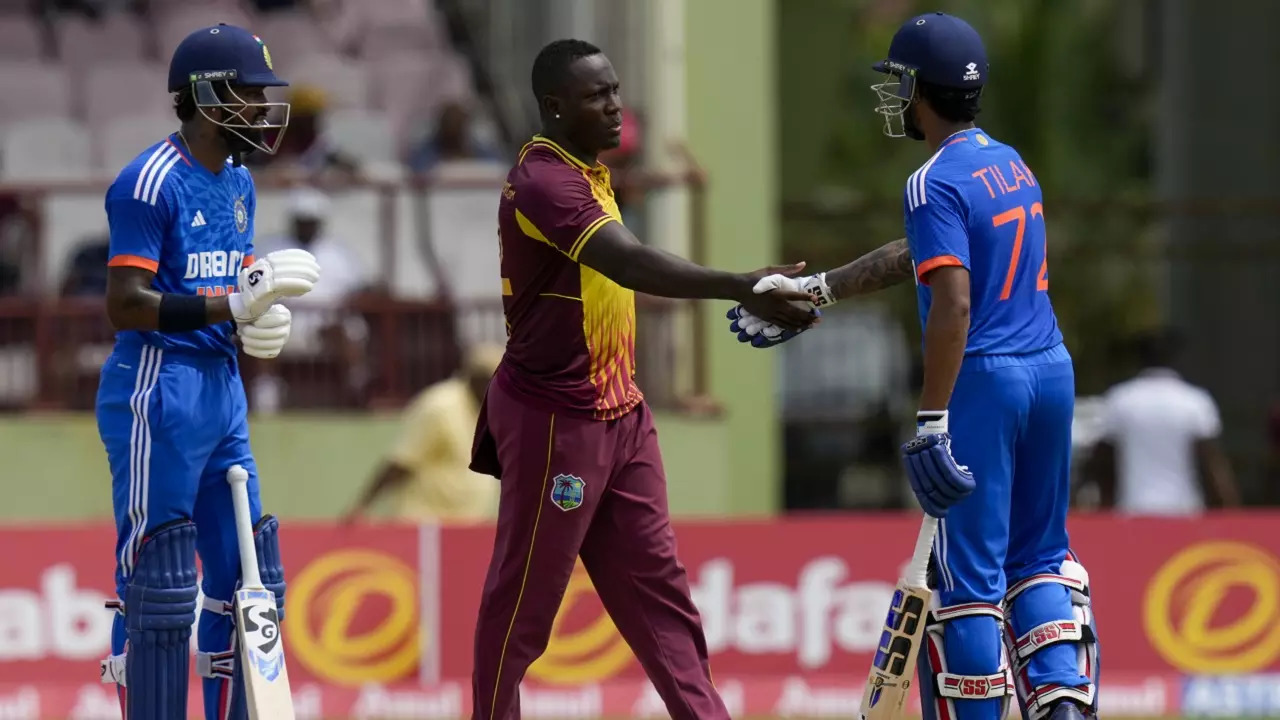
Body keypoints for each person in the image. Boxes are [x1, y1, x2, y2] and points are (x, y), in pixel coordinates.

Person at [726, 13, 1099, 720]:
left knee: (968, 582)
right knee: (1042, 558)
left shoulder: (931, 181)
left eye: (898, 83)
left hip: (985, 380)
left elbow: (952, 300)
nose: (891, 97)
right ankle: (1064, 705)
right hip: (1049, 370)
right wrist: (822, 288)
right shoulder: (1010, 163)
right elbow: (921, 256)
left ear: (922, 92)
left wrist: (932, 418)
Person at [466, 38, 817, 720]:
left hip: (620, 415)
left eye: (616, 89)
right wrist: (739, 285)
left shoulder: (588, 172)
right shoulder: (544, 181)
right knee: (524, 607)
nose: (616, 105)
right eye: (597, 95)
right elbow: (628, 264)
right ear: (554, 107)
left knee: (660, 595)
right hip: (555, 423)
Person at [94, 24, 321, 720]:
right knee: (160, 582)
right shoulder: (148, 180)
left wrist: (252, 321)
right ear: (205, 95)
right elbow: (125, 305)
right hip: (157, 390)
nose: (262, 109)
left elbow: (229, 285)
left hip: (222, 392)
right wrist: (233, 302)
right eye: (250, 93)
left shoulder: (241, 183)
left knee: (249, 574)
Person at [343, 343, 504, 524]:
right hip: (425, 528)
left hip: (464, 530)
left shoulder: (491, 411)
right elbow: (401, 462)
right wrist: (362, 506)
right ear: (476, 378)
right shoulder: (441, 407)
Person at [1083, 328, 1238, 513]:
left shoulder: (1119, 400)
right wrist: (1229, 511)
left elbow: (1101, 464)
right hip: (1185, 512)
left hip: (1131, 511)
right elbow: (1211, 465)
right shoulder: (1195, 402)